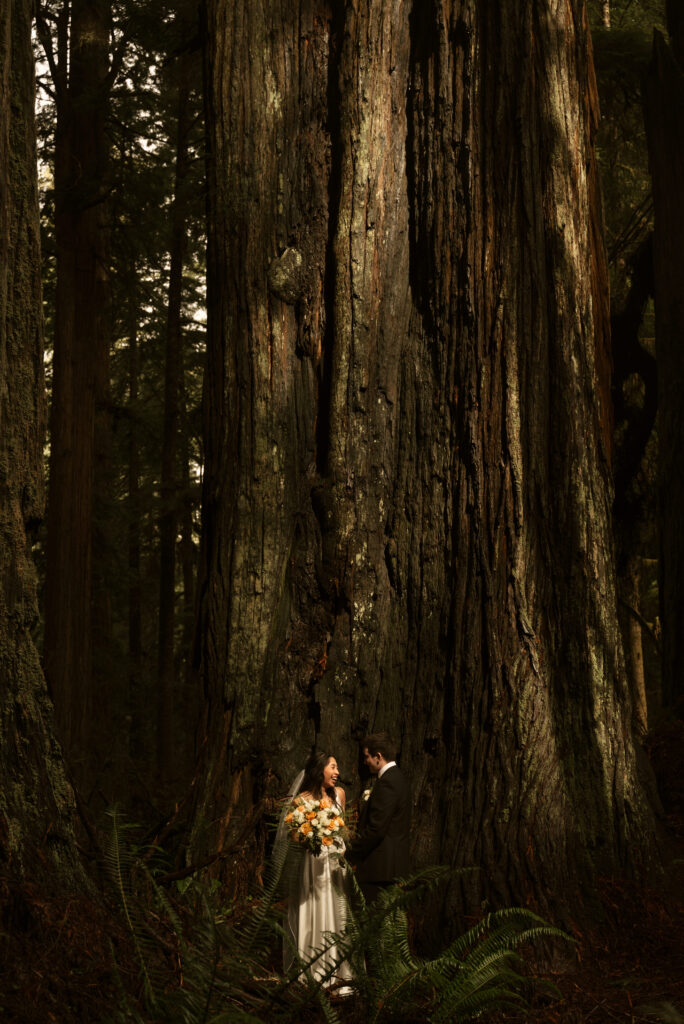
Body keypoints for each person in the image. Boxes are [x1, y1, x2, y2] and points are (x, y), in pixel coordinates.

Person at [280, 750, 353, 991]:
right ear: (319, 769)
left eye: (337, 768)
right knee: (312, 910)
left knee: (337, 914)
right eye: (333, 767)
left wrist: (340, 843)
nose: (337, 773)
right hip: (312, 864)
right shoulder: (301, 800)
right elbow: (292, 834)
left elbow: (346, 830)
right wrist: (312, 834)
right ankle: (311, 972)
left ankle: (338, 973)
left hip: (335, 865)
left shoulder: (339, 794)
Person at [347, 732, 410, 904]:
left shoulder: (388, 782)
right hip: (389, 868)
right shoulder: (397, 777)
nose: (364, 761)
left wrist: (350, 853)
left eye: (367, 756)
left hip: (380, 869)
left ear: (378, 756)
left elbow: (376, 829)